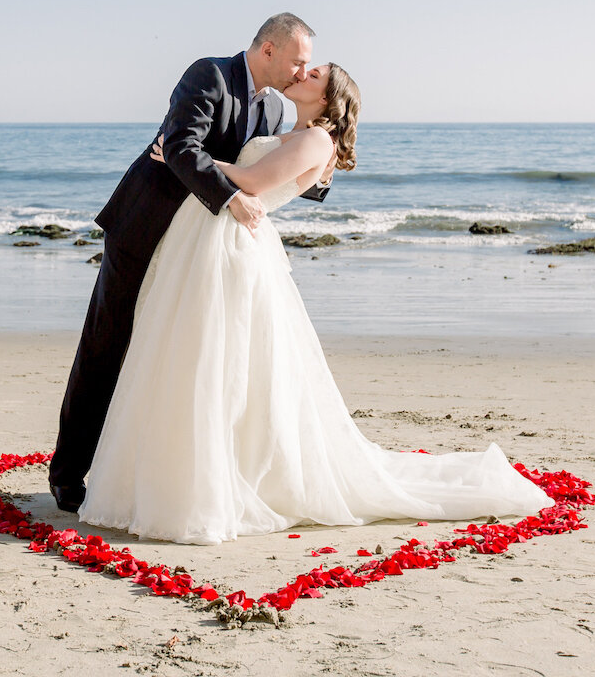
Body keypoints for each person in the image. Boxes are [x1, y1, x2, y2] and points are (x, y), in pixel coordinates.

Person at [77, 62, 554, 544]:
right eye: (303, 66)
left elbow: (253, 180)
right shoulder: (282, 120)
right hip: (211, 241)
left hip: (232, 246)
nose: (303, 72)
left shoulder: (315, 139)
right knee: (199, 362)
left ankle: (213, 479)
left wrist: (179, 156)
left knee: (214, 361)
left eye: (315, 74)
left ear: (327, 98)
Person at [49, 13, 331, 514]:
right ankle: (68, 474)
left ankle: (138, 473)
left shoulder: (270, 112)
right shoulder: (210, 75)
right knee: (106, 346)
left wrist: (325, 153)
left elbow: (273, 174)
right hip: (142, 229)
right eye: (298, 60)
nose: (300, 70)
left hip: (193, 253)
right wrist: (229, 199)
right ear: (269, 49)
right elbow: (179, 148)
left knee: (164, 357)